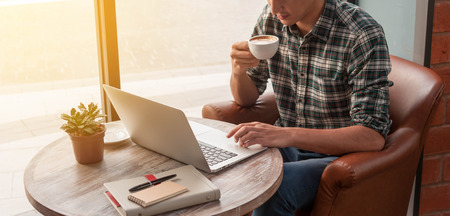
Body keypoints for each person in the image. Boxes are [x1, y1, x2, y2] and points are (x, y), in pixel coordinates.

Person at [226, 0, 393, 215]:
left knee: (273, 188)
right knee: (229, 173)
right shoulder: (272, 19)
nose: (275, 8)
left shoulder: (362, 33)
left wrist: (286, 134)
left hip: (338, 157)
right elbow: (246, 99)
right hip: (285, 146)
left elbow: (372, 136)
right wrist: (238, 72)